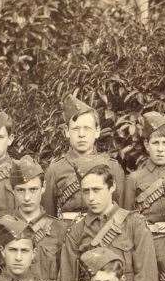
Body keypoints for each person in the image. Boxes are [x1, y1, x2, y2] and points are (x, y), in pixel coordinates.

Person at [58, 163, 157, 281]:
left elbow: (147, 279)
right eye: (86, 191)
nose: (91, 198)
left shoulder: (134, 223)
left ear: (112, 187)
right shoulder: (77, 230)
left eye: (97, 190)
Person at [42, 94, 125, 223]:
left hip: (103, 234)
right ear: (66, 132)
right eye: (75, 129)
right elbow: (48, 216)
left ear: (97, 131)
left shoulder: (112, 167)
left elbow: (122, 213)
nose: (81, 134)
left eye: (87, 128)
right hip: (66, 235)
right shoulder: (55, 170)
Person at [0, 155, 66, 281]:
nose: (27, 197)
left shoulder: (59, 228)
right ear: (12, 190)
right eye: (21, 190)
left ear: (43, 187)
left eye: (33, 190)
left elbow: (64, 279)